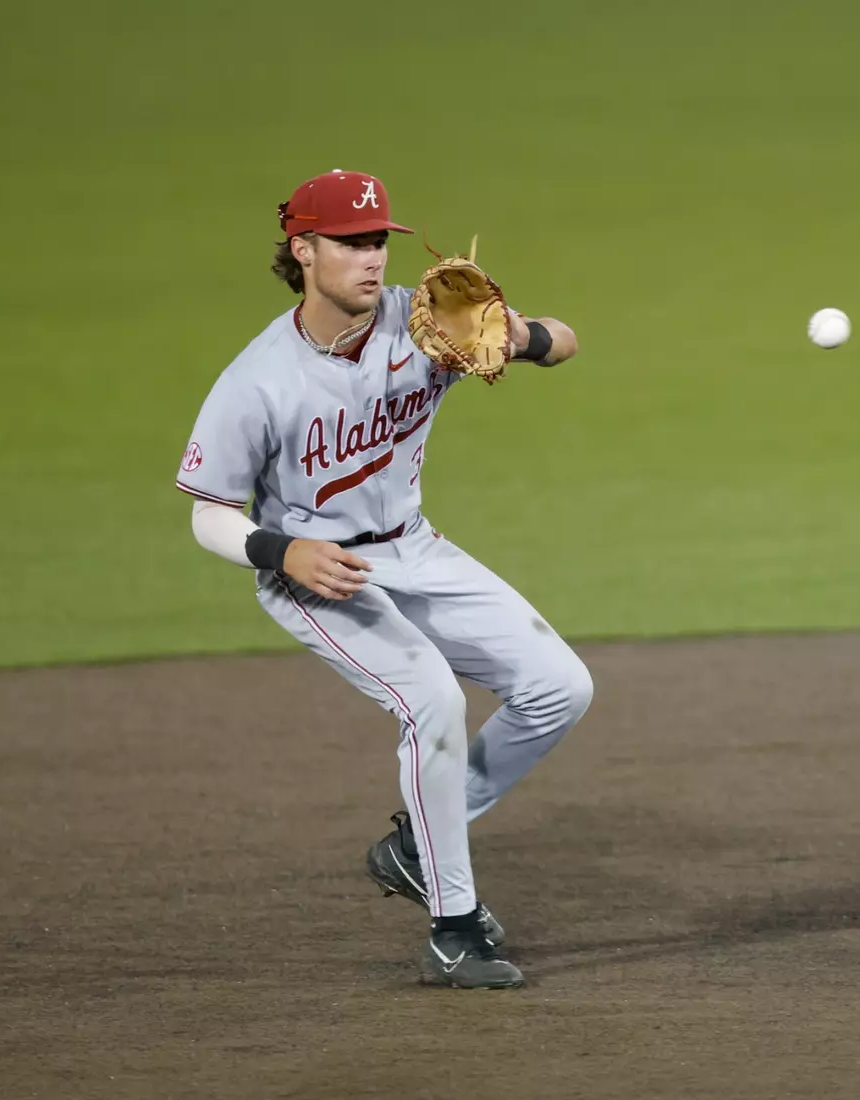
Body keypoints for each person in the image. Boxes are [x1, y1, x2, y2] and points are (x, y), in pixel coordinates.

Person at [175, 169, 592, 989]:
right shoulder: (256, 381)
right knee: (431, 699)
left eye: (378, 242)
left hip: (416, 548)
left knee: (560, 687)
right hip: (322, 574)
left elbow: (566, 338)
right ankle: (455, 924)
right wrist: (280, 552)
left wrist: (522, 338)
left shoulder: (425, 315)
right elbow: (207, 512)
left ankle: (416, 847)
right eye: (351, 243)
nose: (372, 259)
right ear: (303, 251)